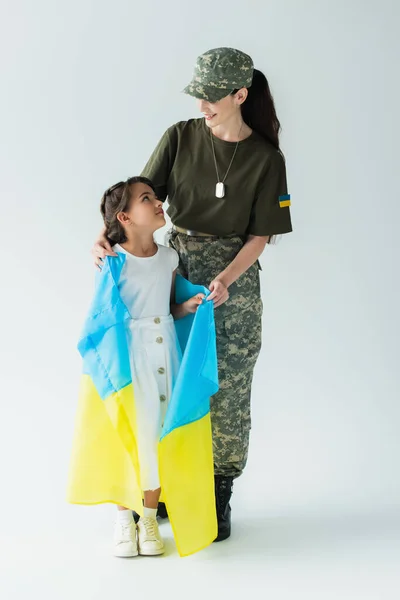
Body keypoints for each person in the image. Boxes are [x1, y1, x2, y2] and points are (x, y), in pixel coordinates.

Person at [92, 47, 293, 542]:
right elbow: (138, 200)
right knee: (167, 380)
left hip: (235, 282)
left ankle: (218, 490)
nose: (202, 104)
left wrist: (226, 278)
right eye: (198, 94)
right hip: (173, 270)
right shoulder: (180, 137)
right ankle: (165, 488)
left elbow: (260, 234)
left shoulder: (267, 159)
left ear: (239, 95)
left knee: (227, 385)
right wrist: (105, 236)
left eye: (211, 96)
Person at [71, 176, 210, 558]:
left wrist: (188, 307)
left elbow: (167, 306)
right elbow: (104, 316)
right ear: (125, 217)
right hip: (131, 358)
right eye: (146, 199)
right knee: (132, 432)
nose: (157, 203)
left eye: (154, 197)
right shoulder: (113, 260)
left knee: (161, 430)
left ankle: (149, 517)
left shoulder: (169, 258)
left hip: (165, 353)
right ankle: (123, 520)